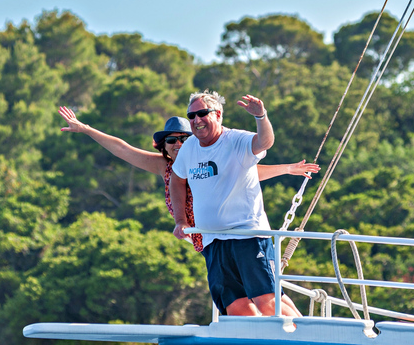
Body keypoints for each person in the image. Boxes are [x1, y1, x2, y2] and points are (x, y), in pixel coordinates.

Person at [58, 105, 319, 253]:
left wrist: (285, 169)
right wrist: (86, 129)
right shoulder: (165, 166)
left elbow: (249, 172)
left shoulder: (207, 157)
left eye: (184, 139)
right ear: (163, 146)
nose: (178, 145)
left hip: (230, 233)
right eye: (171, 141)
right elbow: (123, 149)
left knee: (254, 294)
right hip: (202, 236)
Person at [170, 90, 301, 318]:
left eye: (202, 113)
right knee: (236, 308)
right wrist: (180, 219)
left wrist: (261, 117)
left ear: (218, 115)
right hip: (213, 241)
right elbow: (177, 179)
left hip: (248, 237)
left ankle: (311, 337)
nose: (196, 120)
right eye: (191, 116)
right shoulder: (189, 147)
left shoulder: (236, 140)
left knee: (267, 302)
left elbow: (264, 142)